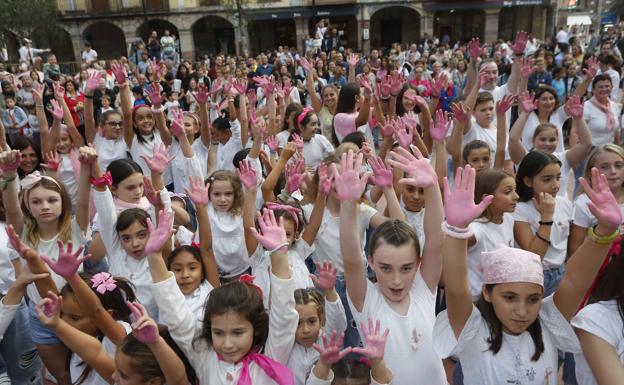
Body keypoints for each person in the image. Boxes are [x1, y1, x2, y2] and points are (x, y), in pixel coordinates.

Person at [434, 165, 621, 385]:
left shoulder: (547, 323)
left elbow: (574, 280)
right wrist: (456, 231)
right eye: (509, 297)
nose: (522, 312)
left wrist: (605, 230)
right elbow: (456, 288)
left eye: (533, 299)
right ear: (487, 292)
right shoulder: (472, 327)